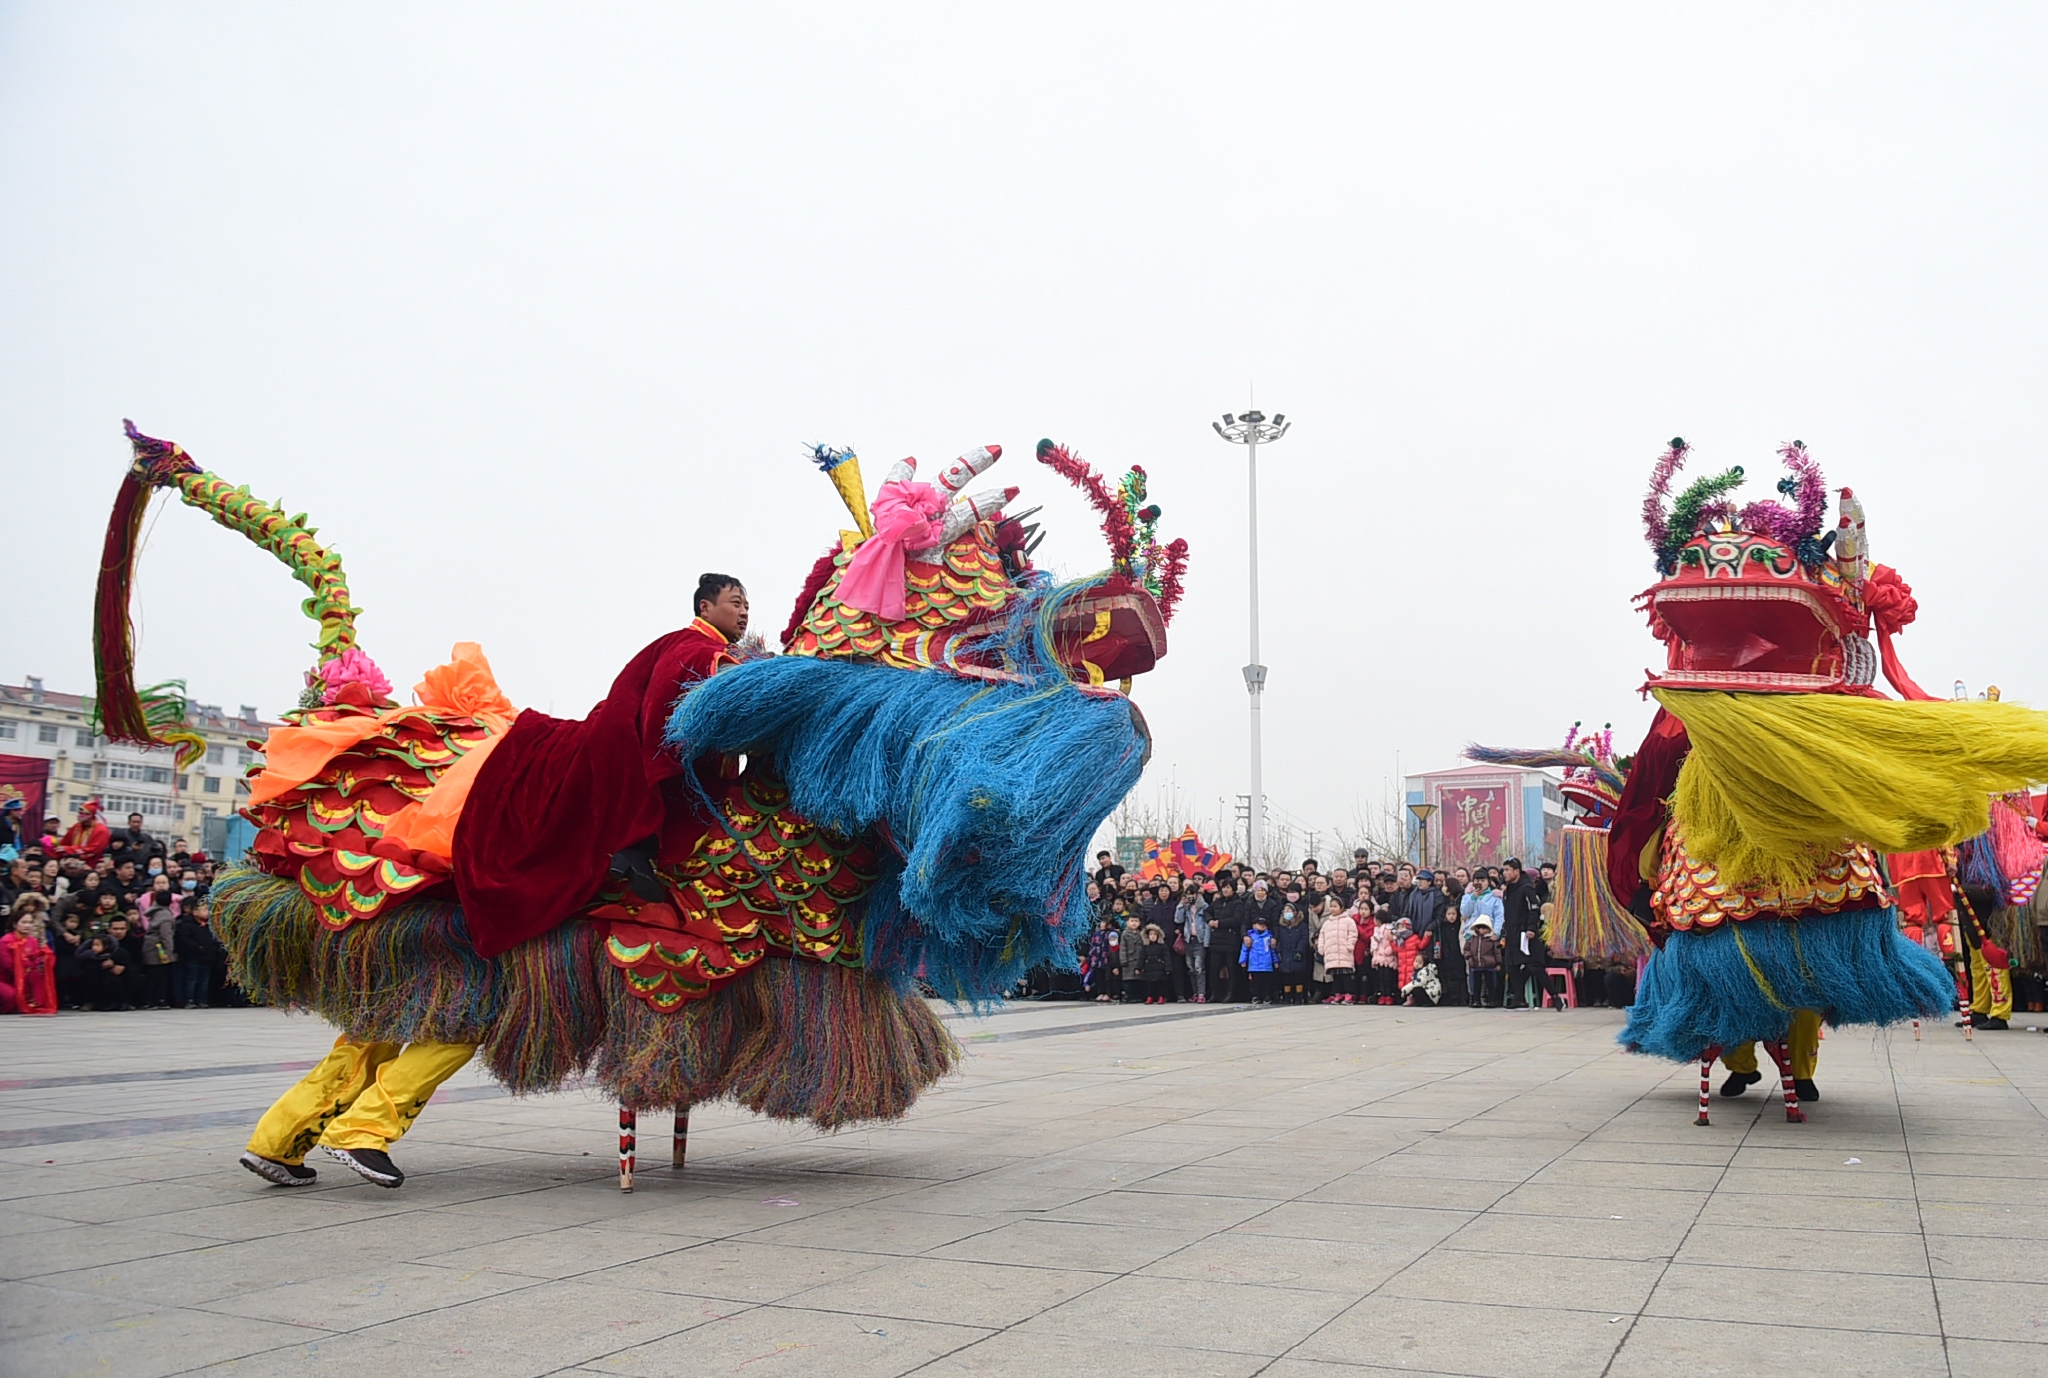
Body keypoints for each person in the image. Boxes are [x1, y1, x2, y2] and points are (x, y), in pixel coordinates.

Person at [245, 574, 751, 1191]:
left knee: (386, 1016)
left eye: (746, 602)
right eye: (735, 601)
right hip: (476, 898)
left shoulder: (681, 652)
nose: (744, 611)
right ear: (705, 606)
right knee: (463, 1014)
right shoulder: (696, 651)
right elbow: (673, 733)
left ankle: (279, 1140)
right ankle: (363, 1132)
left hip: (426, 890)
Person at [1, 899, 58, 1015]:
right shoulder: (6, 941)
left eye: (30, 922)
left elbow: (36, 960)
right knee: (11, 996)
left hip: (24, 976)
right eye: (24, 922)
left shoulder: (32, 941)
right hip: (6, 978)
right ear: (15, 924)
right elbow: (9, 965)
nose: (27, 925)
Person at [1205, 877, 1245, 1003]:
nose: (1226, 890)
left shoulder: (1238, 903)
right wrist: (1210, 920)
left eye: (1228, 887)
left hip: (1231, 940)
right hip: (1216, 940)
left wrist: (1220, 923)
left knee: (1231, 969)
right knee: (1214, 969)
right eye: (1224, 887)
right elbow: (1207, 911)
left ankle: (1231, 994)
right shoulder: (1218, 902)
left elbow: (1237, 919)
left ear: (1233, 889)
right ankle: (1215, 993)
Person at [173, 902, 221, 1008]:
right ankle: (189, 1000)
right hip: (193, 957)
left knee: (204, 981)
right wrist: (198, 947)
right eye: (204, 910)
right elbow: (184, 940)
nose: (208, 912)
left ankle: (202, 1000)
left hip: (207, 958)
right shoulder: (187, 925)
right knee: (192, 980)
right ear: (195, 912)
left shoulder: (209, 926)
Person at [1318, 896, 1359, 1004]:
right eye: (1331, 906)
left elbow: (1353, 934)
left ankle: (1349, 995)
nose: (1333, 909)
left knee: (1346, 976)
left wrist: (1350, 945)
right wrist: (1321, 948)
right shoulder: (1327, 923)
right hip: (1332, 953)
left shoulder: (1348, 921)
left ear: (1341, 908)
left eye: (1335, 906)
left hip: (1345, 953)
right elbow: (1322, 936)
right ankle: (1337, 994)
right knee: (1336, 976)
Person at [139, 897, 179, 1008]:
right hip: (159, 948)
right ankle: (157, 999)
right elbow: (166, 935)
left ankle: (150, 1000)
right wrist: (169, 951)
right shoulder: (166, 916)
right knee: (159, 975)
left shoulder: (155, 912)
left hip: (150, 946)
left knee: (152, 975)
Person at [1274, 897, 1312, 1004]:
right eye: (1285, 911)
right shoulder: (1282, 927)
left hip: (1297, 953)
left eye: (1289, 911)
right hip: (1285, 955)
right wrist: (1279, 950)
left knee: (1298, 976)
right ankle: (1287, 996)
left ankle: (1298, 996)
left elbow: (1304, 938)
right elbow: (1279, 940)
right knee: (1286, 977)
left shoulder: (1301, 926)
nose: (1287, 913)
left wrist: (1300, 950)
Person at [1463, 921, 1504, 1007]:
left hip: (1489, 965)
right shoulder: (1472, 939)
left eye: (1485, 928)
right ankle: (1476, 1000)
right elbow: (1466, 949)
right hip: (1476, 964)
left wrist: (1498, 963)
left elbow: (1497, 952)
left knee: (1490, 984)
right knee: (1476, 984)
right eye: (1481, 928)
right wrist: (1469, 958)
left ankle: (1491, 1000)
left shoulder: (1492, 940)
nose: (1483, 930)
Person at [1241, 916, 1278, 1005]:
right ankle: (1255, 996)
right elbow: (1244, 949)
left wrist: (1275, 961)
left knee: (1266, 982)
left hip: (1266, 964)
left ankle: (1266, 997)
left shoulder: (1269, 937)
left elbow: (1273, 950)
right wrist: (1243, 961)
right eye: (1259, 924)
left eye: (1264, 925)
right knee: (1255, 983)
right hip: (1254, 965)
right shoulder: (1250, 937)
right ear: (1254, 926)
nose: (1262, 926)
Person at [1137, 922, 1172, 1004]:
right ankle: (1150, 997)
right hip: (1149, 968)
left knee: (1161, 984)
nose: (1153, 936)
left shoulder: (1162, 946)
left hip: (1160, 967)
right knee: (1150, 984)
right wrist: (1138, 967)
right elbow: (1141, 958)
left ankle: (1161, 997)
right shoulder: (1145, 947)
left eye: (1154, 934)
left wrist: (1168, 968)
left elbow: (1167, 957)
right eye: (1151, 934)